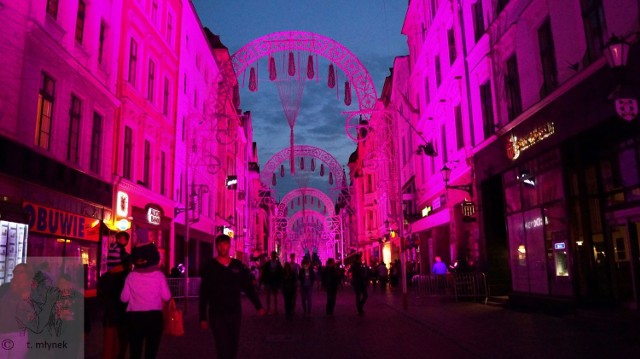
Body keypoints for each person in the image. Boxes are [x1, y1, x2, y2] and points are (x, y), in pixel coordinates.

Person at [199, 234, 266, 359]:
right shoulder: (210, 267)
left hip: (234, 312)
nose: (222, 247)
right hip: (216, 313)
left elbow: (248, 287)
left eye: (225, 244)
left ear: (229, 246)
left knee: (233, 345)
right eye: (220, 244)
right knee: (221, 346)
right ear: (216, 247)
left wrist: (258, 306)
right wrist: (202, 317)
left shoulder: (237, 265)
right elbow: (204, 292)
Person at [120, 228, 171, 359]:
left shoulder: (131, 276)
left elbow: (124, 298)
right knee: (151, 352)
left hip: (134, 318)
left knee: (135, 351)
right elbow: (167, 296)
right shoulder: (159, 276)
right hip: (154, 317)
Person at [98, 249, 131, 359]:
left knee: (108, 345)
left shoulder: (104, 278)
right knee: (120, 344)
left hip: (109, 315)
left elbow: (101, 297)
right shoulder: (125, 277)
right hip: (122, 315)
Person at [0, 263, 35, 359]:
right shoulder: (5, 287)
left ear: (28, 275)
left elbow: (30, 313)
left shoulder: (31, 290)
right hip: (2, 333)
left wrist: (17, 293)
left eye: (21, 272)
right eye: (15, 271)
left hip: (18, 335)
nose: (17, 274)